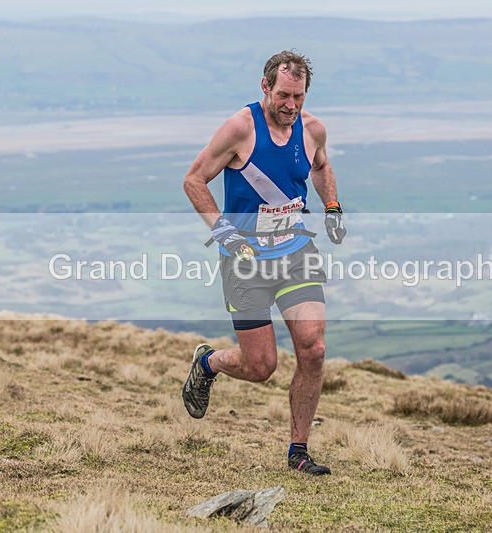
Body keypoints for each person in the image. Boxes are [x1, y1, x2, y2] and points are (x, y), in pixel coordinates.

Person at [181, 50, 346, 475]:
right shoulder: (240, 128)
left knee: (313, 349)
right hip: (245, 260)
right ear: (265, 87)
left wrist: (331, 204)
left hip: (295, 252)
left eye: (300, 97)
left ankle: (299, 452)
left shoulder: (312, 130)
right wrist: (224, 233)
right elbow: (194, 180)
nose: (291, 105)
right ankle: (208, 362)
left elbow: (322, 166)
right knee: (261, 367)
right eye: (284, 95)